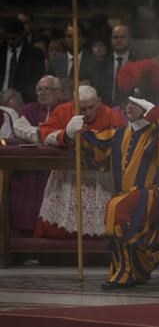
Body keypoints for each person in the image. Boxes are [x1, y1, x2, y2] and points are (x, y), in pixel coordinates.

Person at [77, 66, 159, 289]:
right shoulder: (118, 133)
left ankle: (125, 273)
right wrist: (73, 132)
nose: (128, 107)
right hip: (125, 196)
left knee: (117, 208)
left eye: (136, 103)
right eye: (126, 102)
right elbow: (94, 152)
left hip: (152, 196)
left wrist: (157, 116)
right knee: (120, 209)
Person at [35, 85, 125, 238]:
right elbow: (45, 134)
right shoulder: (63, 111)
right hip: (68, 178)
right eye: (82, 109)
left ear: (98, 101)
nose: (87, 113)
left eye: (91, 107)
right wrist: (66, 134)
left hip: (99, 180)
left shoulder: (111, 115)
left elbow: (122, 139)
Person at [10, 76, 63, 235]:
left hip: (58, 165)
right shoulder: (29, 109)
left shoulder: (65, 109)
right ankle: (25, 230)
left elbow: (66, 133)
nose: (42, 93)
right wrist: (45, 134)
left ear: (58, 92)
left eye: (47, 89)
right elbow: (19, 128)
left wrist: (39, 133)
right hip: (32, 165)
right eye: (39, 89)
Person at [1, 18, 46, 103]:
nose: (10, 41)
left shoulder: (35, 54)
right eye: (7, 38)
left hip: (23, 100)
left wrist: (19, 96)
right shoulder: (1, 51)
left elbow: (37, 81)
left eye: (14, 38)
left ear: (22, 35)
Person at [94, 24, 138, 107]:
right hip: (107, 110)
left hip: (131, 109)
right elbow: (98, 91)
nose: (118, 40)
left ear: (130, 39)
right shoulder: (102, 64)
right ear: (111, 40)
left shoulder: (137, 62)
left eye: (122, 37)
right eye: (115, 37)